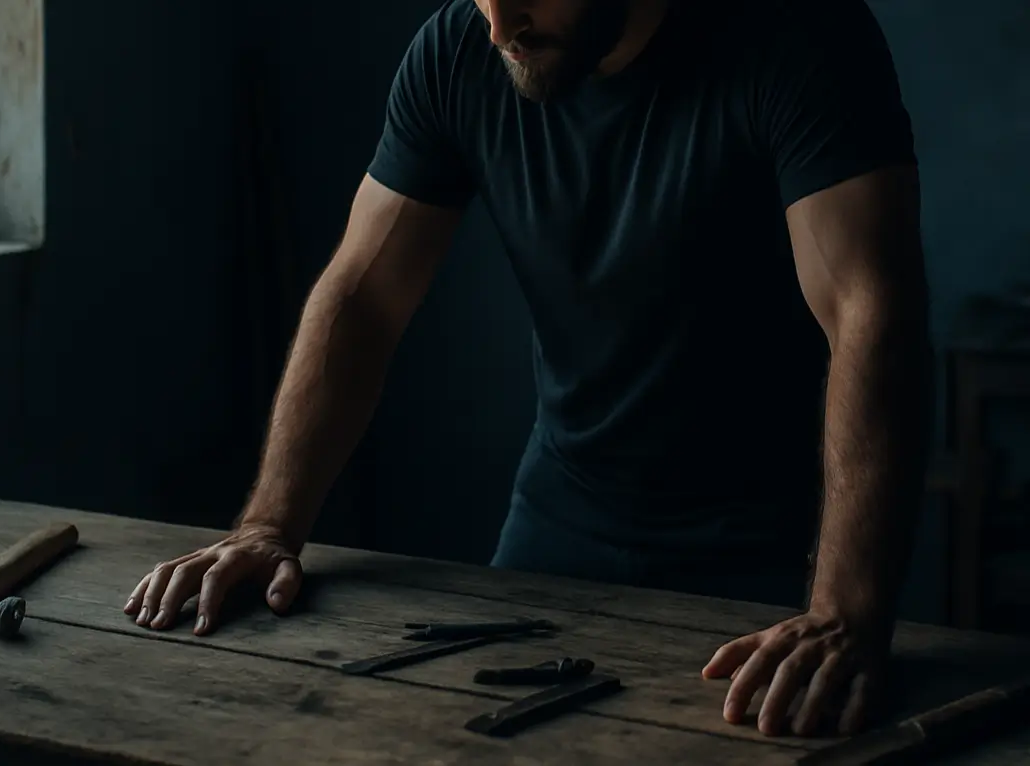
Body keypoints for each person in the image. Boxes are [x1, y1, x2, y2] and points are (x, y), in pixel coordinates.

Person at [124, 0, 931, 739]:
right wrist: (269, 526)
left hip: (770, 550)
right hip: (562, 519)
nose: (499, 22)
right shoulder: (456, 52)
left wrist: (845, 611)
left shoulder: (801, 36)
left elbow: (870, 315)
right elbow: (363, 301)